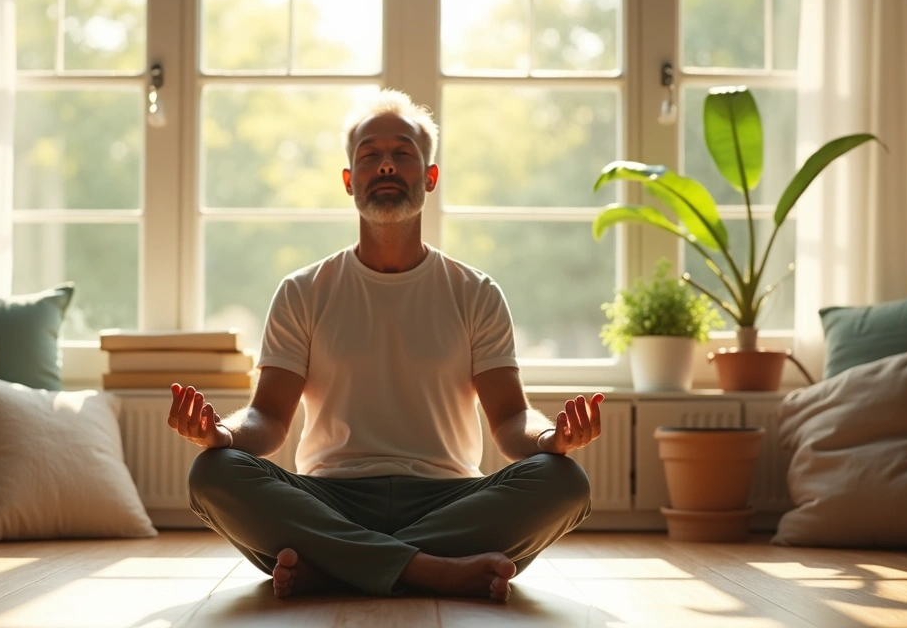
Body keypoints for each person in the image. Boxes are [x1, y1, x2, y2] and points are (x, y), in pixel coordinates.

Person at [168, 89, 602, 602]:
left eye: (403, 153)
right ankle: (432, 569)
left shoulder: (475, 292)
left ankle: (336, 568)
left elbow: (510, 420)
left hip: (448, 499)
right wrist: (221, 433)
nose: (387, 165)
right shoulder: (303, 291)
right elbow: (267, 418)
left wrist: (550, 437)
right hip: (330, 499)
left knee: (565, 483)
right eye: (370, 155)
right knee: (213, 472)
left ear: (430, 177)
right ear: (349, 180)